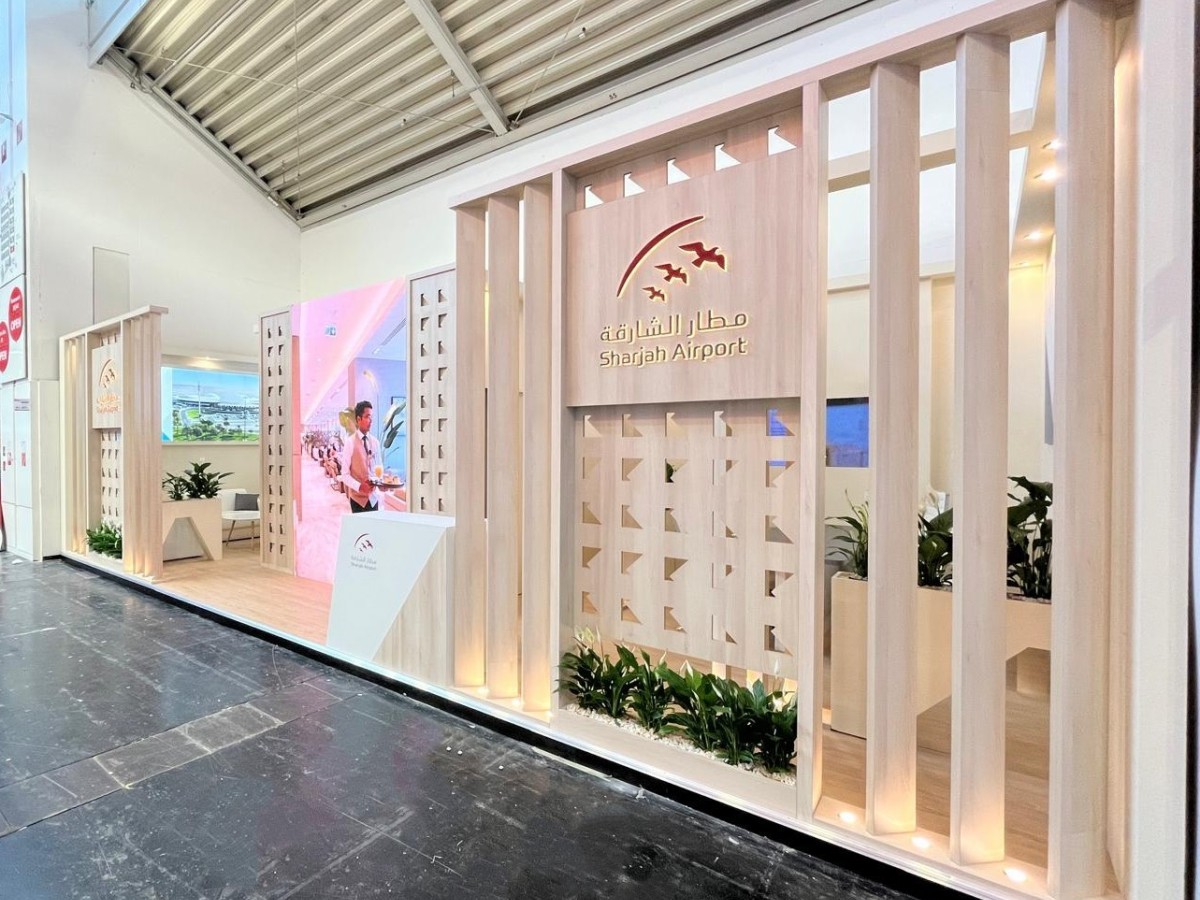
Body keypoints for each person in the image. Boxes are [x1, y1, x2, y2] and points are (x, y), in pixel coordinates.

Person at [339, 400, 380, 513]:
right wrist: (359, 486)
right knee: (360, 526)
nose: (370, 420)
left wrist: (382, 484)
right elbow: (344, 474)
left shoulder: (375, 442)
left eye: (371, 417)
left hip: (374, 499)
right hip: (358, 501)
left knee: (373, 525)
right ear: (358, 419)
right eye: (367, 417)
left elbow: (379, 469)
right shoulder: (350, 442)